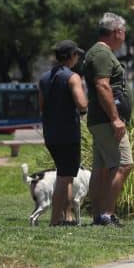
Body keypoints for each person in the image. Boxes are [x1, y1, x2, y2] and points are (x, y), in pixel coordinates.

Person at [84, 12, 133, 226]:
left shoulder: (98, 53)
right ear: (117, 32)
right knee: (124, 164)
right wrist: (115, 118)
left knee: (102, 168)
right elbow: (102, 85)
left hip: (100, 120)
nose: (124, 37)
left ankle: (99, 214)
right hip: (106, 120)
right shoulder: (102, 54)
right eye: (124, 33)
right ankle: (107, 214)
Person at [38, 39, 87, 226]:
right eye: (76, 55)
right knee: (65, 177)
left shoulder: (43, 79)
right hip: (68, 132)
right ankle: (56, 220)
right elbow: (82, 104)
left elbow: (42, 106)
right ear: (71, 56)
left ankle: (66, 217)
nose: (77, 58)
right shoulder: (72, 77)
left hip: (51, 133)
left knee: (64, 174)